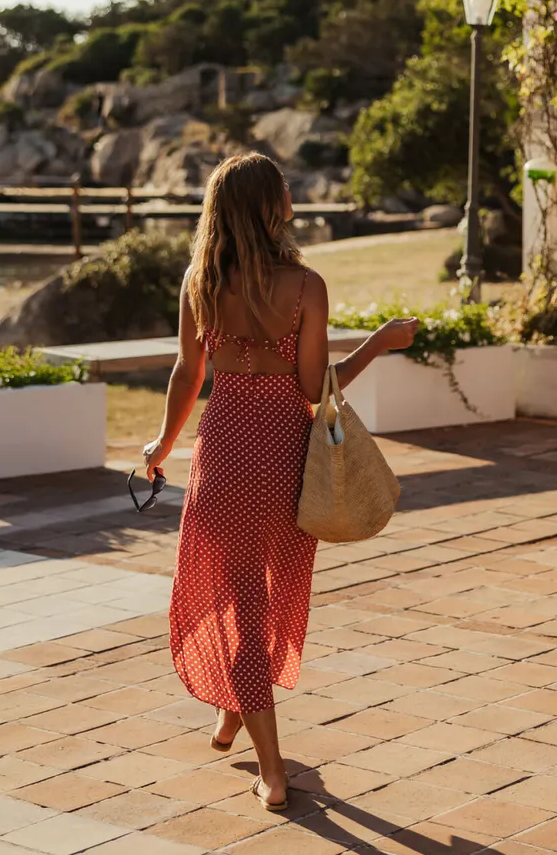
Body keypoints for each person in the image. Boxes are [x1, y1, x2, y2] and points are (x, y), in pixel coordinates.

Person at [142, 152, 417, 811]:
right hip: (282, 459)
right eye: (283, 186)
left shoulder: (200, 281)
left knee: (243, 597)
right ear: (269, 205)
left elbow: (188, 373)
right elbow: (312, 387)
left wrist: (162, 443)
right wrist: (379, 341)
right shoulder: (306, 285)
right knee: (258, 600)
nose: (292, 191)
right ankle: (273, 770)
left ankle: (235, 713)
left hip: (223, 451)